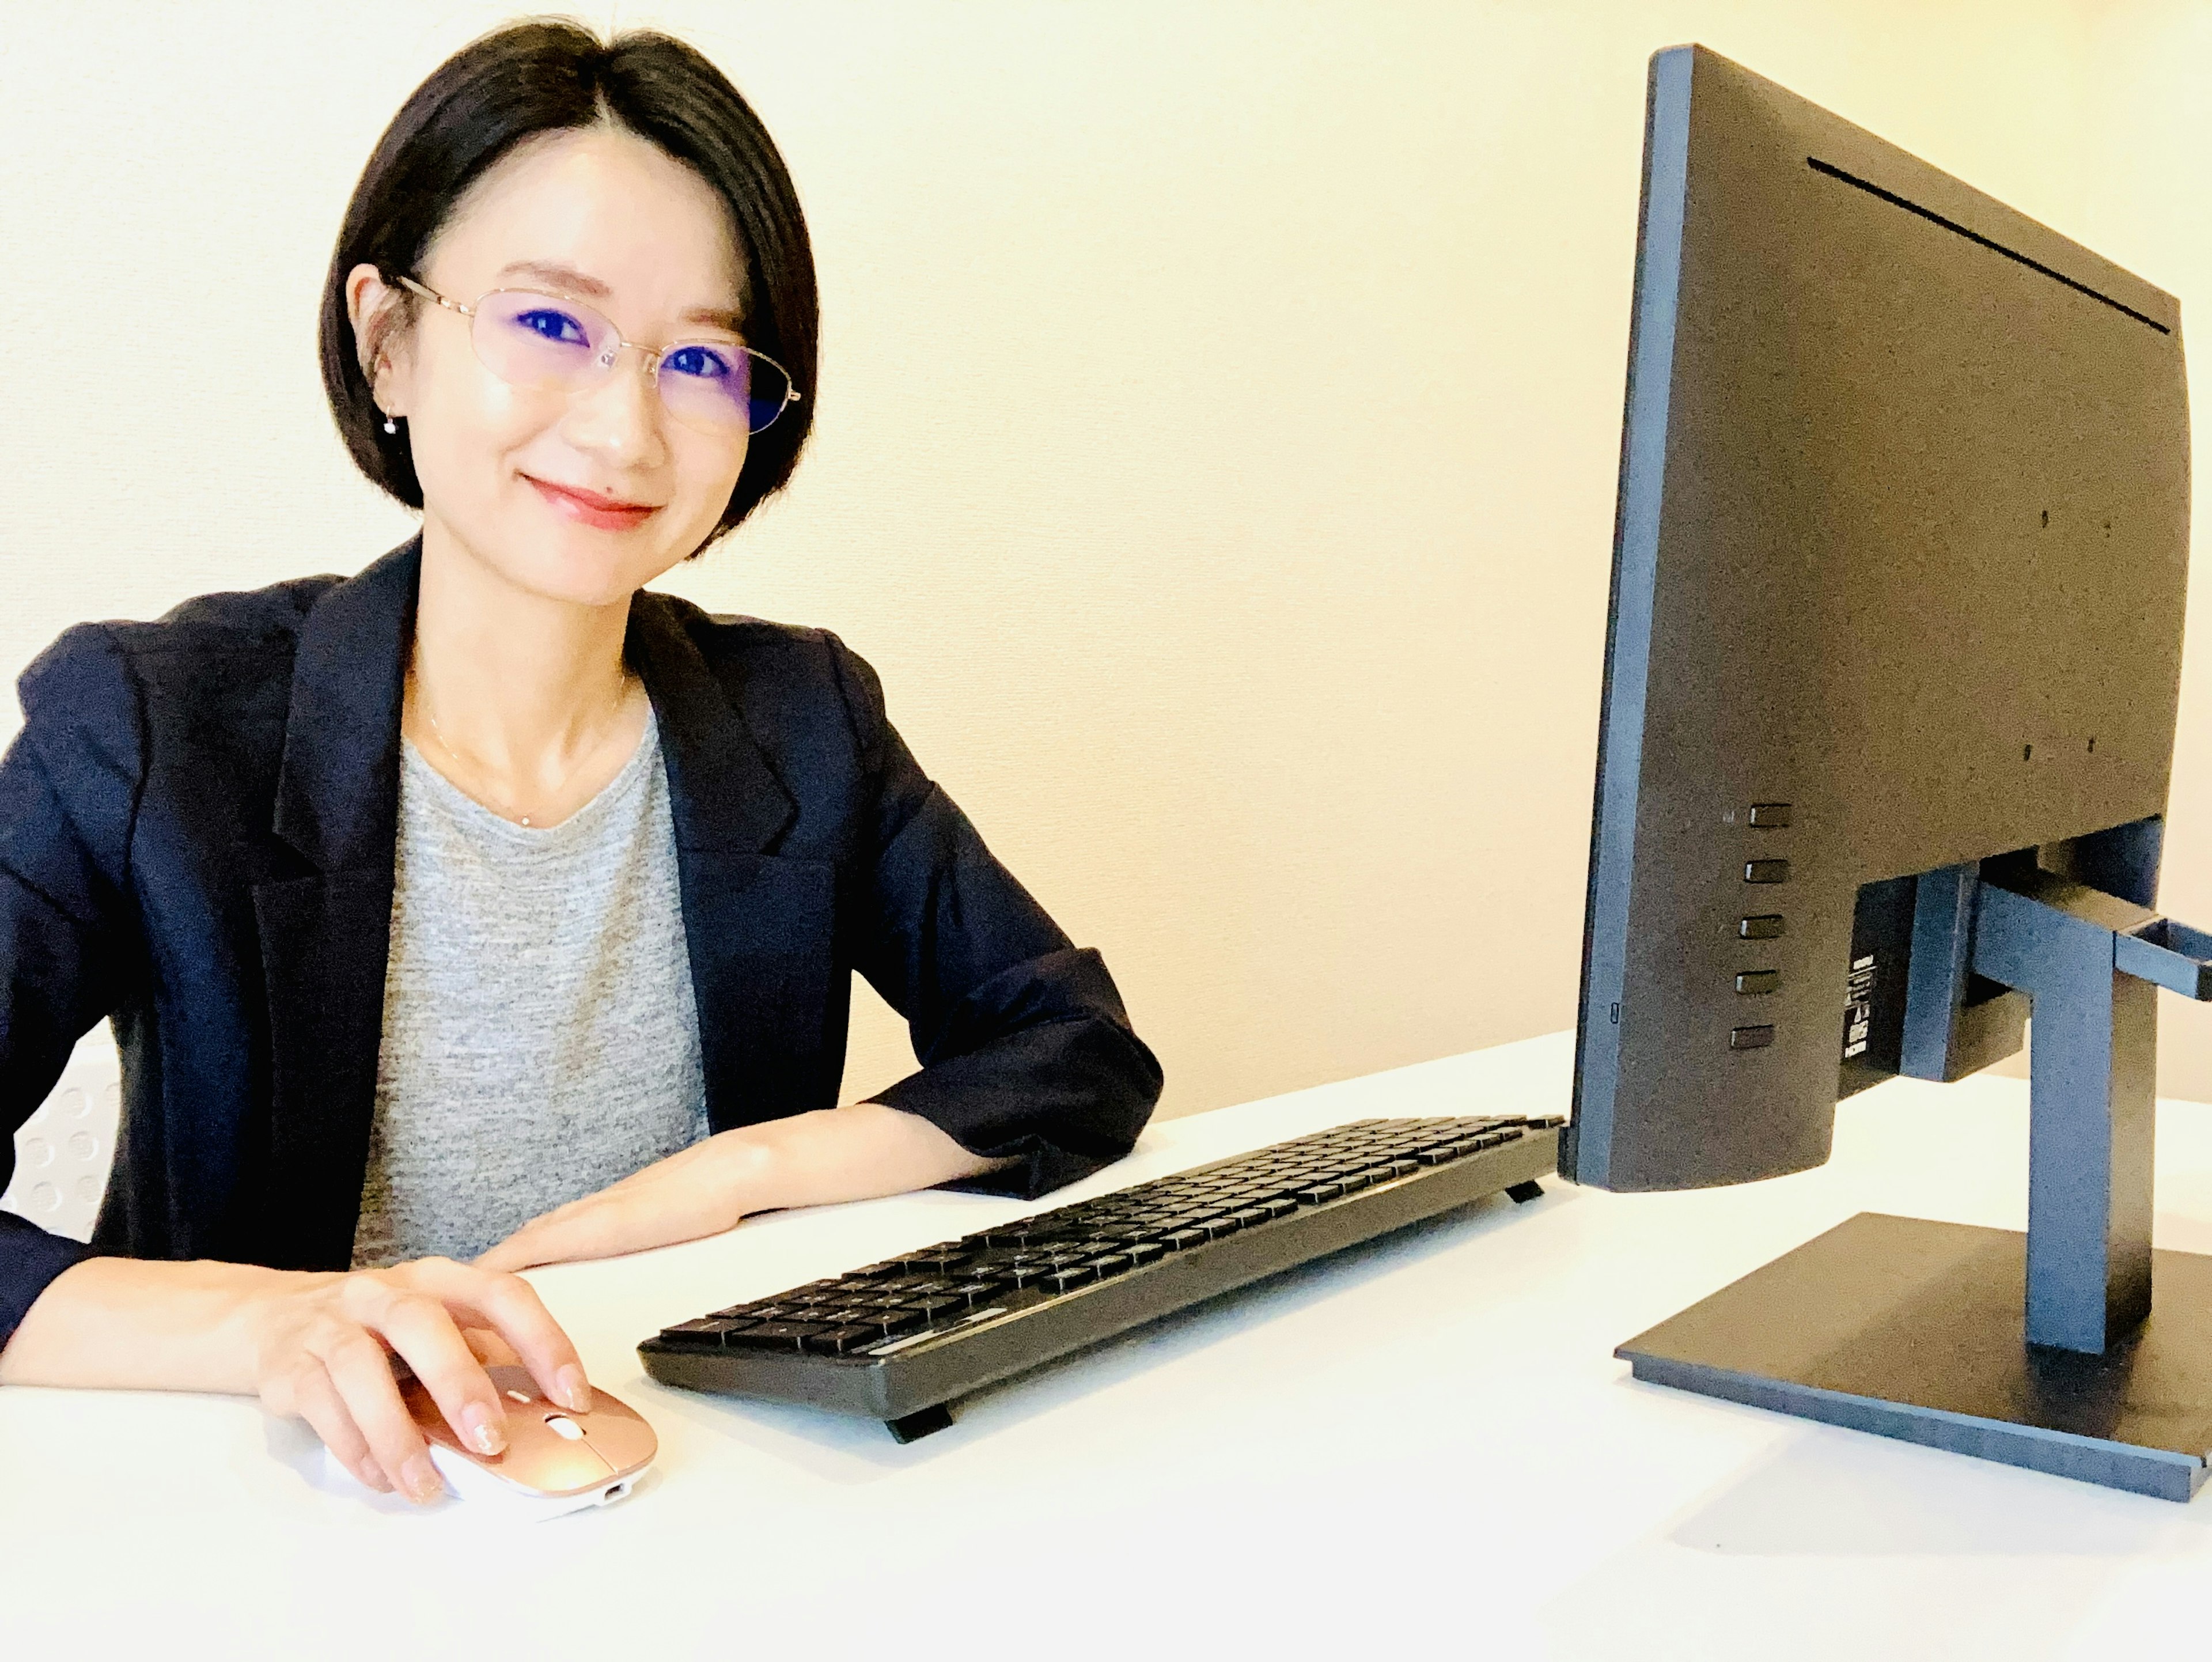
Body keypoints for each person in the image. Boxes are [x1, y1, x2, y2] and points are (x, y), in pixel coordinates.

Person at [0, 21, 1161, 1505]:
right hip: (290, 1521)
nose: (623, 429)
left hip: (701, 1503)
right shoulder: (151, 724)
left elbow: (1070, 1053)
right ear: (389, 338)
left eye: (699, 357)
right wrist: (272, 1322)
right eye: (550, 324)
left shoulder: (801, 716)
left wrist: (737, 1177)